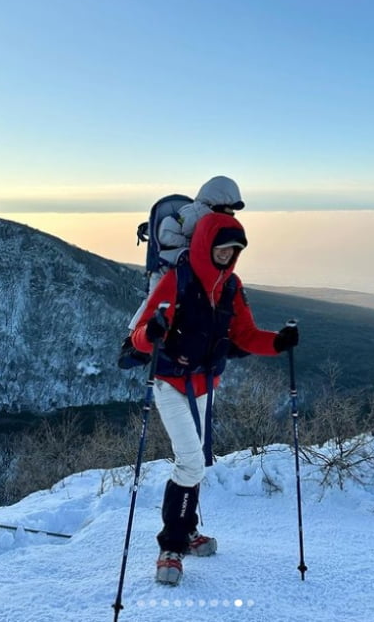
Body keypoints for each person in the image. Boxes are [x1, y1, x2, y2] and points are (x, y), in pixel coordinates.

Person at [131, 210, 299, 585]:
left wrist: (277, 342)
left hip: (206, 384)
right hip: (171, 383)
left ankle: (186, 533)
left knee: (195, 464)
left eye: (234, 250)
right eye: (222, 248)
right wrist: (153, 329)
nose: (227, 254)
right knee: (190, 462)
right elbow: (141, 335)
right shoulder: (177, 281)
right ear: (207, 244)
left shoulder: (231, 287)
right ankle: (171, 548)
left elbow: (245, 335)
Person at [127, 175, 245, 330]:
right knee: (154, 304)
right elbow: (166, 234)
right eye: (230, 209)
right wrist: (191, 249)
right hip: (167, 268)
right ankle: (135, 338)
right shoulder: (195, 215)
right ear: (216, 201)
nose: (231, 214)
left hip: (187, 270)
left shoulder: (206, 216)